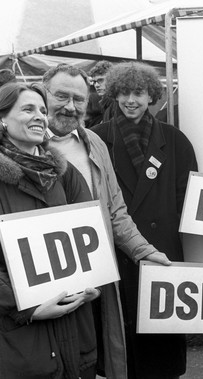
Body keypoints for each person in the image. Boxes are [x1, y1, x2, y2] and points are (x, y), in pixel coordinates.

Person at [43, 63, 172, 378]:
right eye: (61, 96)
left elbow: (115, 210)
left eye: (79, 99)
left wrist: (142, 250)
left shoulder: (94, 144)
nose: (70, 106)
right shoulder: (20, 144)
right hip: (41, 283)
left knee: (89, 360)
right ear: (42, 95)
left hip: (92, 279)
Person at [92, 61, 198, 379]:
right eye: (123, 92)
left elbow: (189, 203)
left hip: (164, 259)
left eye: (138, 92)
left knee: (162, 355)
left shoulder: (175, 140)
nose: (131, 100)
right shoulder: (97, 139)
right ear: (113, 94)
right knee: (125, 353)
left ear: (151, 95)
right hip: (118, 258)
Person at [0, 82, 99, 378]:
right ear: (2, 119)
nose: (40, 116)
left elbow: (90, 237)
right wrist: (27, 309)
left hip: (74, 328)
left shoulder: (64, 174)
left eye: (43, 110)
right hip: (21, 338)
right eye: (28, 109)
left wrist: (94, 281)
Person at [87, 60, 115, 127]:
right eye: (94, 82)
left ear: (112, 79)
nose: (96, 85)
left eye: (101, 80)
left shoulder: (117, 103)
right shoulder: (106, 104)